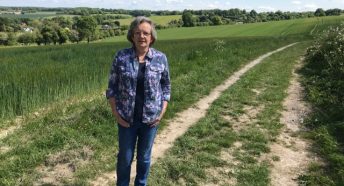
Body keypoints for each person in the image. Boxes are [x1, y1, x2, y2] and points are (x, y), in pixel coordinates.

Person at [106, 16, 171, 186]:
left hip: (150, 120)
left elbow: (166, 87)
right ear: (132, 36)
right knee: (124, 159)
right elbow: (111, 88)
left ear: (152, 37)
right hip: (126, 120)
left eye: (146, 33)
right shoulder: (121, 57)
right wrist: (116, 114)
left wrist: (161, 111)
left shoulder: (160, 58)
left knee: (144, 158)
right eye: (138, 33)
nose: (142, 36)